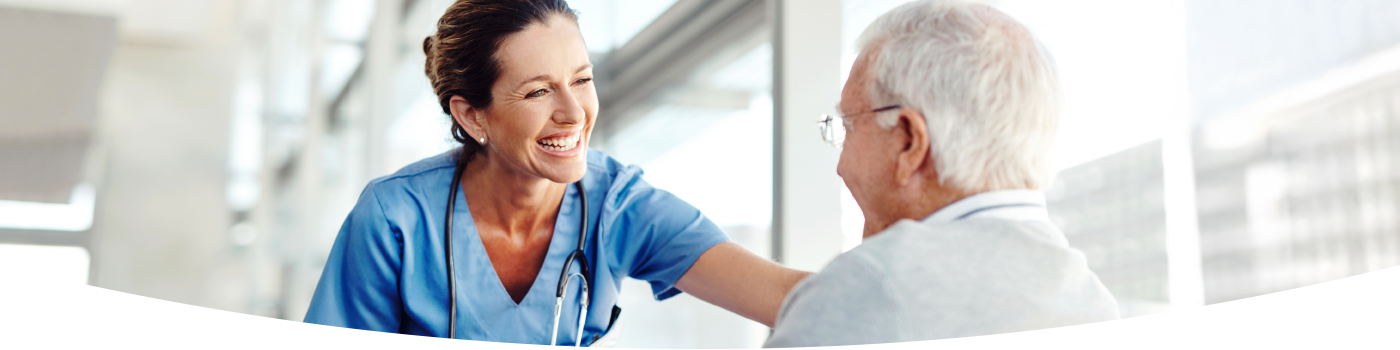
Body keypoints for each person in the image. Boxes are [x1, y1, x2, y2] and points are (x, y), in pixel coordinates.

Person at [303, 0, 810, 346]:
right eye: (538, 90)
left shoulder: (619, 205)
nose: (574, 112)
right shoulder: (396, 217)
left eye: (582, 79)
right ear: (471, 115)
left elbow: (787, 297)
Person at [764, 0, 1119, 347]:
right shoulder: (1096, 302)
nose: (841, 165)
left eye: (850, 126)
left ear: (909, 140)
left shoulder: (873, 282)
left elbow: (870, 297)